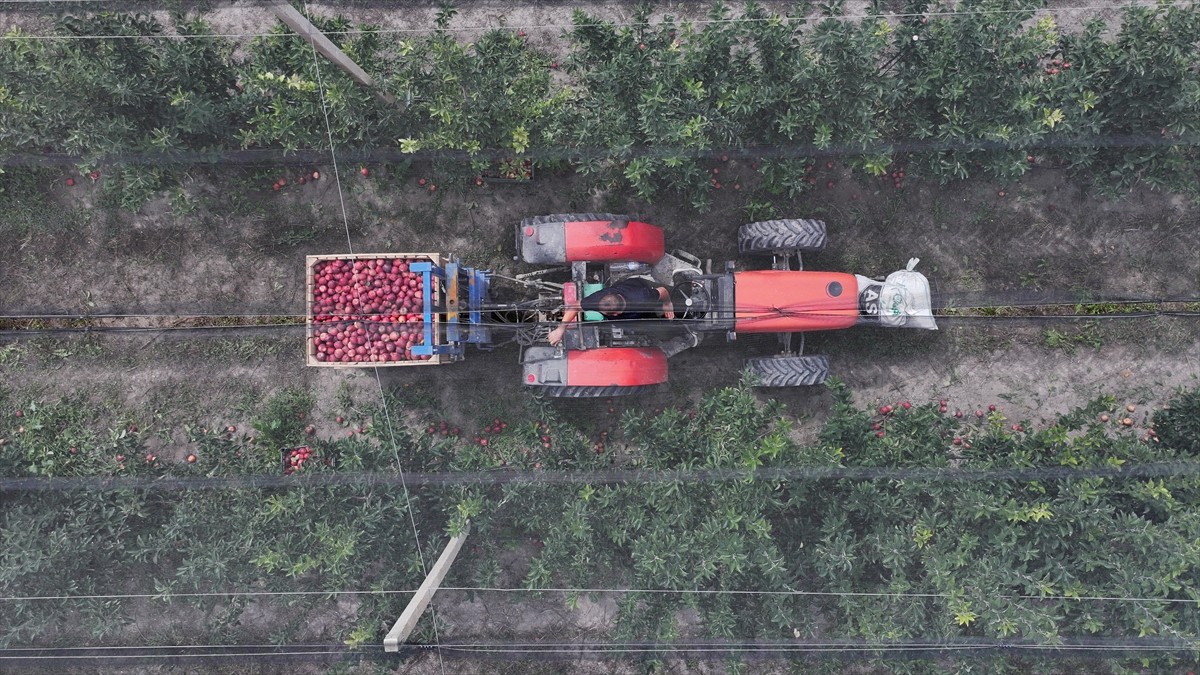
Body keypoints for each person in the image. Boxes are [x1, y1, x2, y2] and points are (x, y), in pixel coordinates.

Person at [547, 277, 675, 346]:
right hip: (631, 314)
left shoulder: (643, 296)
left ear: (617, 313)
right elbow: (575, 306)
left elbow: (663, 291)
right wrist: (561, 329)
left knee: (659, 318)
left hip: (641, 291)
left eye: (610, 314)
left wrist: (667, 303)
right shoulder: (597, 301)